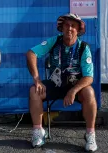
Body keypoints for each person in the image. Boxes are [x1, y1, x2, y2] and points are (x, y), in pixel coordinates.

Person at [27, 13, 98, 152]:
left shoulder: (83, 48)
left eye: (73, 26)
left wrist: (73, 91)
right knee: (34, 90)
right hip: (55, 84)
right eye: (66, 25)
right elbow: (31, 54)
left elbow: (89, 77)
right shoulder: (54, 41)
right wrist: (37, 79)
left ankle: (90, 134)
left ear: (78, 30)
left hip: (75, 86)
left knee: (89, 91)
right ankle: (38, 132)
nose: (69, 28)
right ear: (62, 27)